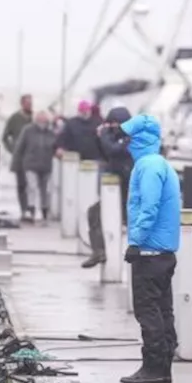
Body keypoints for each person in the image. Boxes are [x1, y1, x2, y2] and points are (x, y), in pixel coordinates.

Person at [111, 113, 181, 383]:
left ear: (139, 138)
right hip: (163, 253)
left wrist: (135, 242)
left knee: (148, 309)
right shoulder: (159, 163)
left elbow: (148, 208)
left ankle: (154, 366)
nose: (125, 142)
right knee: (163, 309)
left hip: (150, 253)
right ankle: (163, 364)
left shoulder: (148, 167)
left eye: (129, 136)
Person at [80, 105, 134, 268]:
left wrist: (104, 136)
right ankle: (99, 251)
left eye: (116, 124)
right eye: (110, 123)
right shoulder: (113, 136)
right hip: (113, 191)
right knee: (93, 214)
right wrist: (99, 138)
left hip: (128, 195)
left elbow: (113, 150)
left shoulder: (132, 138)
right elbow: (104, 153)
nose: (113, 127)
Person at [12, 110, 58, 222]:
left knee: (45, 190)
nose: (42, 121)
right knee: (32, 187)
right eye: (40, 118)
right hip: (30, 164)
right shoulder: (28, 130)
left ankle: (44, 211)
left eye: (44, 119)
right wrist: (16, 163)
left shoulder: (51, 132)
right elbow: (20, 147)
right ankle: (31, 210)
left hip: (46, 165)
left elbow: (56, 147)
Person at [1, 94, 34, 217]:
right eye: (27, 103)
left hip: (33, 157)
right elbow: (5, 137)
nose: (30, 105)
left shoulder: (34, 118)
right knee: (22, 184)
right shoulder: (15, 118)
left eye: (31, 103)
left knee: (32, 185)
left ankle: (32, 209)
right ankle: (24, 209)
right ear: (22, 103)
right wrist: (13, 150)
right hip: (20, 157)